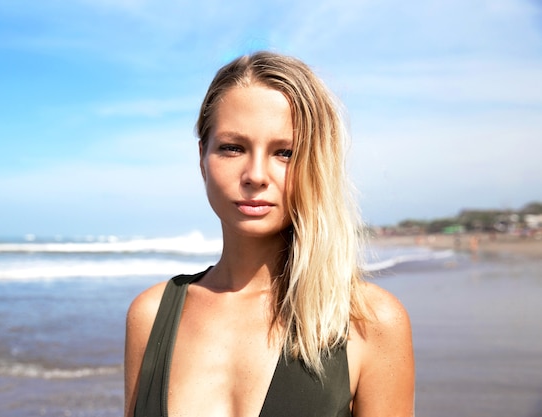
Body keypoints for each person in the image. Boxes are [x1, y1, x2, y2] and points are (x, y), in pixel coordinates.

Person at [125, 51, 414, 417]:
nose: (256, 175)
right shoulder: (150, 316)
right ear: (203, 156)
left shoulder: (369, 321)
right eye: (232, 148)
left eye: (285, 152)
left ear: (317, 162)